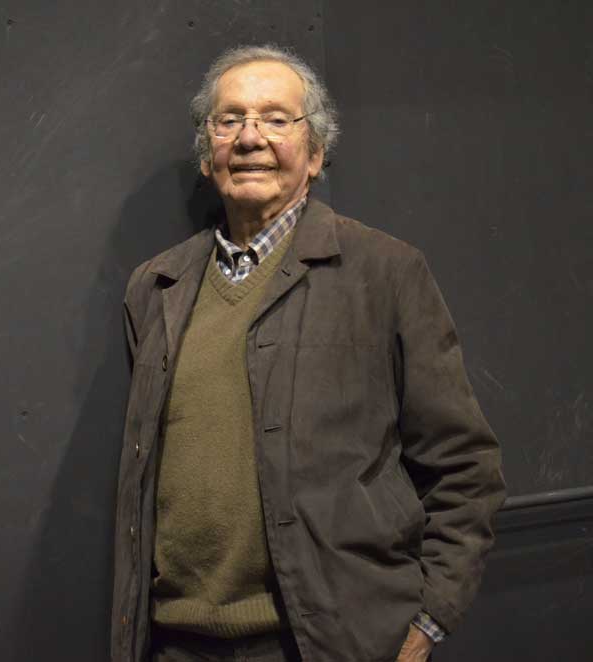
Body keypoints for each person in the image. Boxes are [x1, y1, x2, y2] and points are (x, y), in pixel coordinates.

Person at [109, 44, 506, 662]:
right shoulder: (156, 286)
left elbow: (465, 467)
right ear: (207, 152)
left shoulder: (385, 273)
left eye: (275, 119)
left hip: (328, 645)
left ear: (315, 153)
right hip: (175, 644)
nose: (250, 138)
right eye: (230, 120)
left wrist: (429, 622)